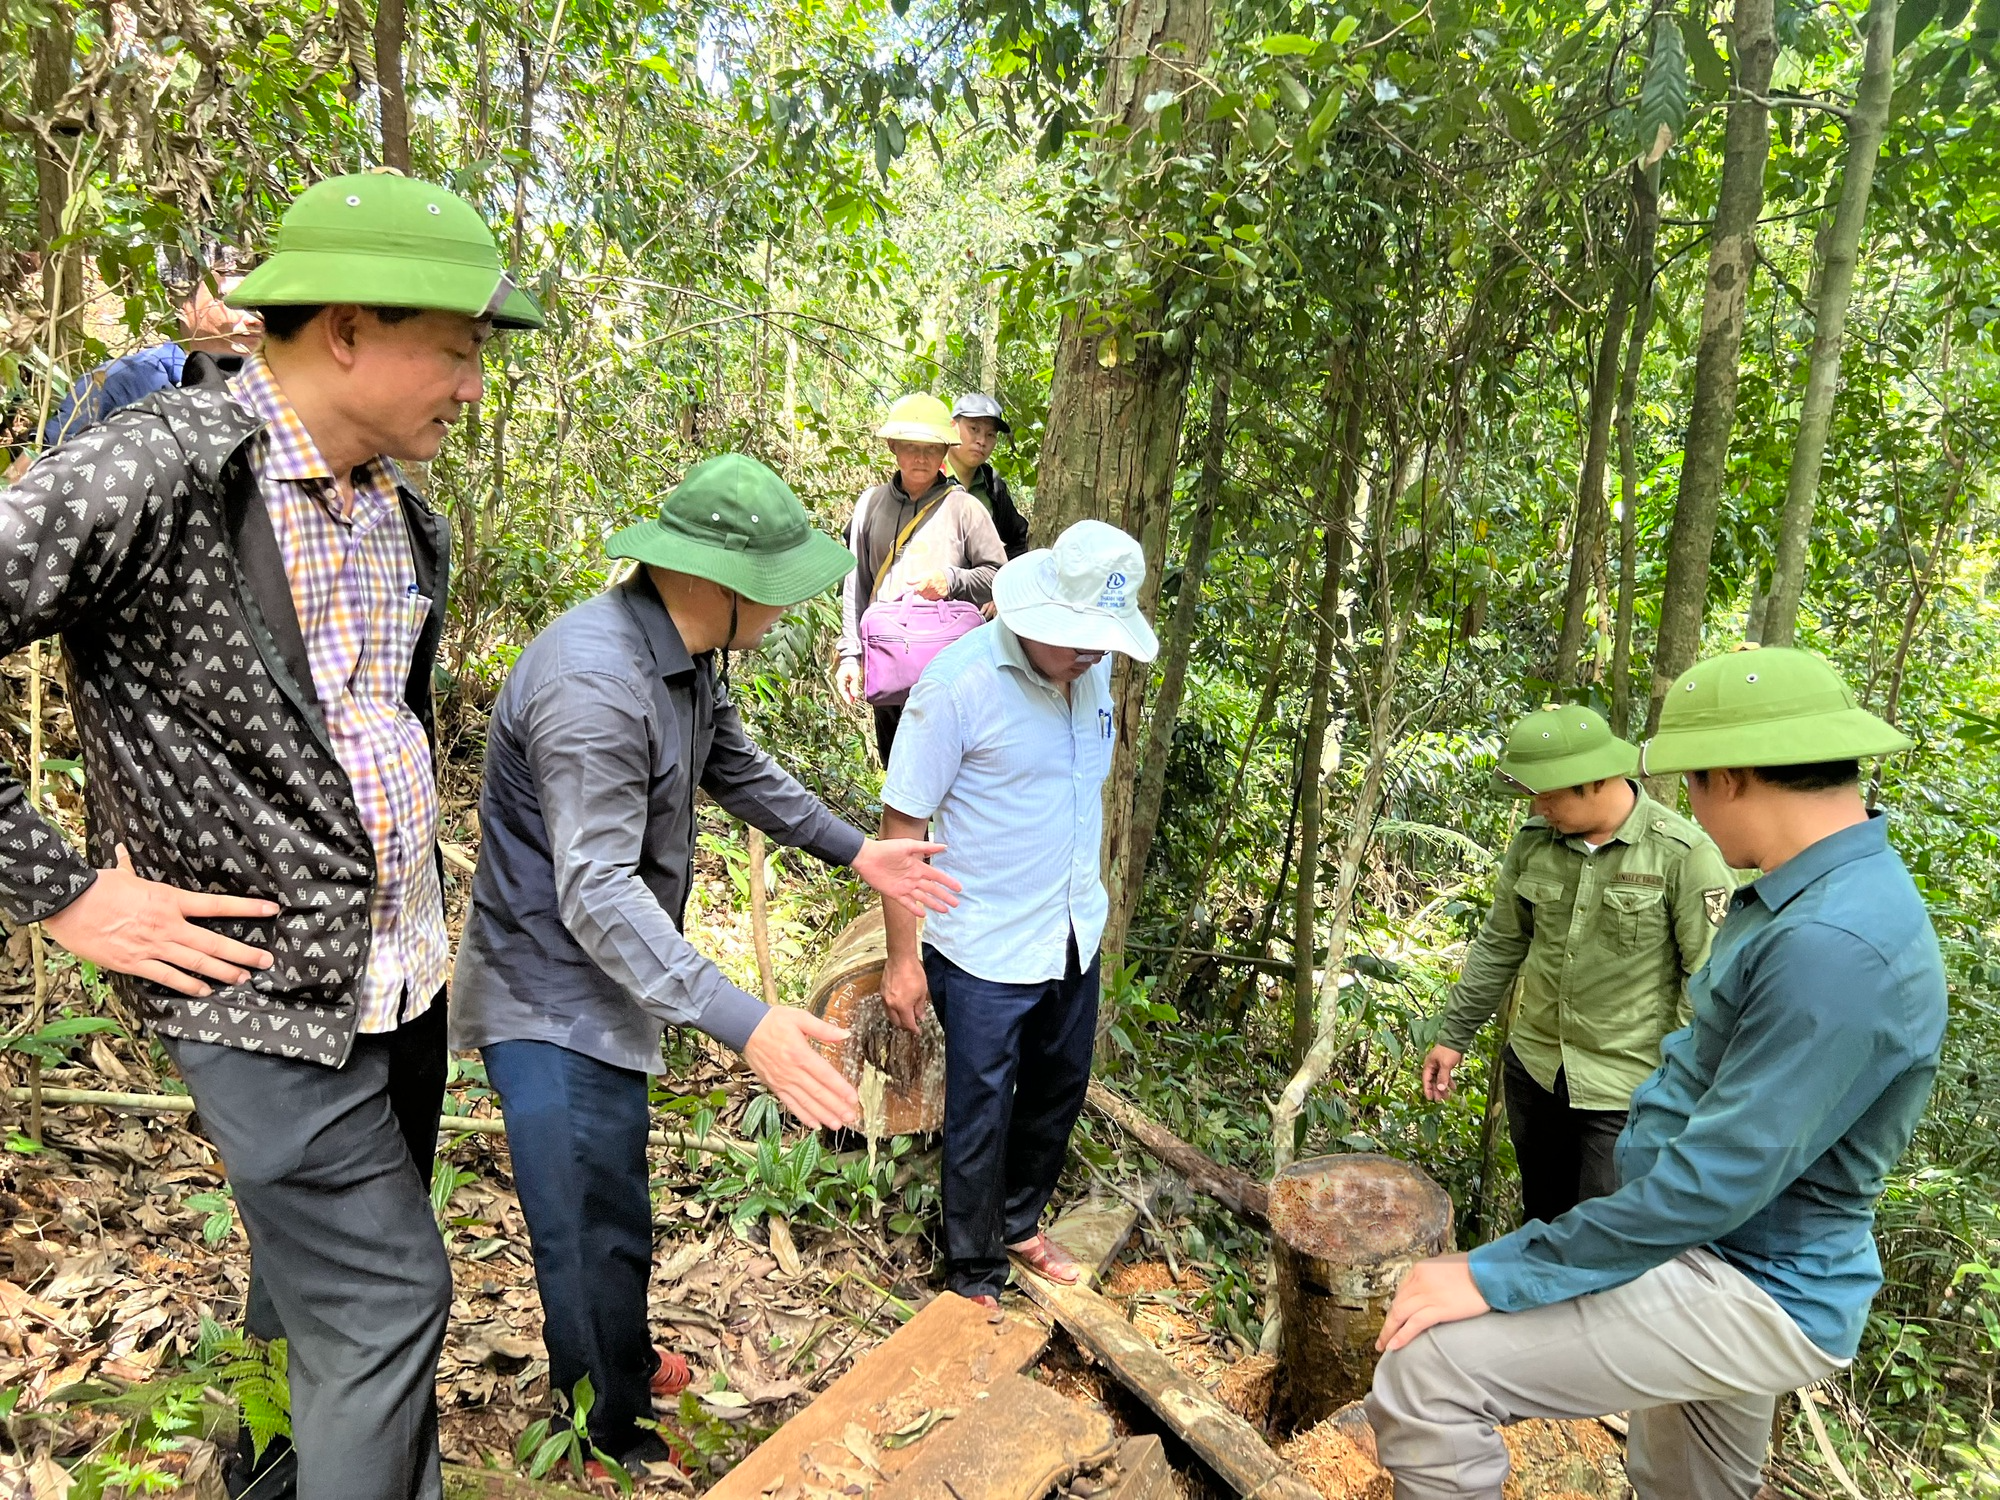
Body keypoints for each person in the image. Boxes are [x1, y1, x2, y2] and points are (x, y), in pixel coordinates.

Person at [0, 172, 543, 1500]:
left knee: (296, 1285)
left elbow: (370, 732)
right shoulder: (154, 470)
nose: (471, 387)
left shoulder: (408, 519)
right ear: (347, 329)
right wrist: (61, 890)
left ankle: (269, 1471)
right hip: (252, 996)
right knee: (388, 1299)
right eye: (458, 349)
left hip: (396, 981)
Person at [450, 453, 963, 1472]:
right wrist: (746, 1020)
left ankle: (622, 1360)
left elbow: (735, 767)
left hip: (613, 985)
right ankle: (602, 1431)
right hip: (549, 999)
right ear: (716, 583)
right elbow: (594, 890)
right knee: (585, 1221)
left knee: (616, 1208)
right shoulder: (595, 683)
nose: (782, 610)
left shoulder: (684, 659)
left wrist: (858, 851)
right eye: (771, 588)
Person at [1367, 647, 1947, 1500]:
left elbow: (1711, 1185)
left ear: (1731, 777)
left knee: (1428, 1375)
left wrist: (1493, 1270)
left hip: (1746, 1274)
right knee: (1684, 1484)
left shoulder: (1834, 948)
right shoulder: (1806, 898)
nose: (1696, 808)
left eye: (1694, 782)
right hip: (1714, 1247)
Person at [877, 520, 1159, 1305]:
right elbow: (903, 826)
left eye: (1102, 640)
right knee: (979, 1111)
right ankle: (972, 1269)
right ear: (1034, 617)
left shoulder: (1090, 672)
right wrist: (904, 961)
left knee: (1058, 1088)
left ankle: (1018, 1219)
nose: (1094, 653)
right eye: (1079, 638)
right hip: (983, 945)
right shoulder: (959, 684)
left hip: (1073, 930)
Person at [1421, 704, 1733, 1225]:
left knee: (1603, 1243)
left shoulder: (1683, 855)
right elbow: (1500, 944)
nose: (1538, 808)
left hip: (1625, 1091)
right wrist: (1453, 1036)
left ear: (1594, 780)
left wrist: (1673, 1092)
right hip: (1537, 1069)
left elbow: (1707, 983)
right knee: (1542, 1222)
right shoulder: (1533, 845)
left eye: (1547, 794)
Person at [834, 394, 1006, 762]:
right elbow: (856, 584)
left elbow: (999, 575)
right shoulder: (870, 504)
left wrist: (952, 580)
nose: (921, 457)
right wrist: (851, 655)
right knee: (896, 769)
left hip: (947, 669)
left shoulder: (965, 508)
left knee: (946, 773)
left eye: (931, 448)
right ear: (893, 447)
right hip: (888, 664)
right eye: (910, 447)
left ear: (945, 450)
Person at [40, 270, 265, 446]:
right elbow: (49, 465)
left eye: (259, 307)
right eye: (234, 302)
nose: (254, 319)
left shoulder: (272, 385)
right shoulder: (121, 381)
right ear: (185, 306)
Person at [947, 392, 1030, 560]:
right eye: (974, 429)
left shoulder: (992, 485)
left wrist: (996, 569)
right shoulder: (929, 474)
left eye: (990, 435)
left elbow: (1021, 537)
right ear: (952, 426)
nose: (982, 441)